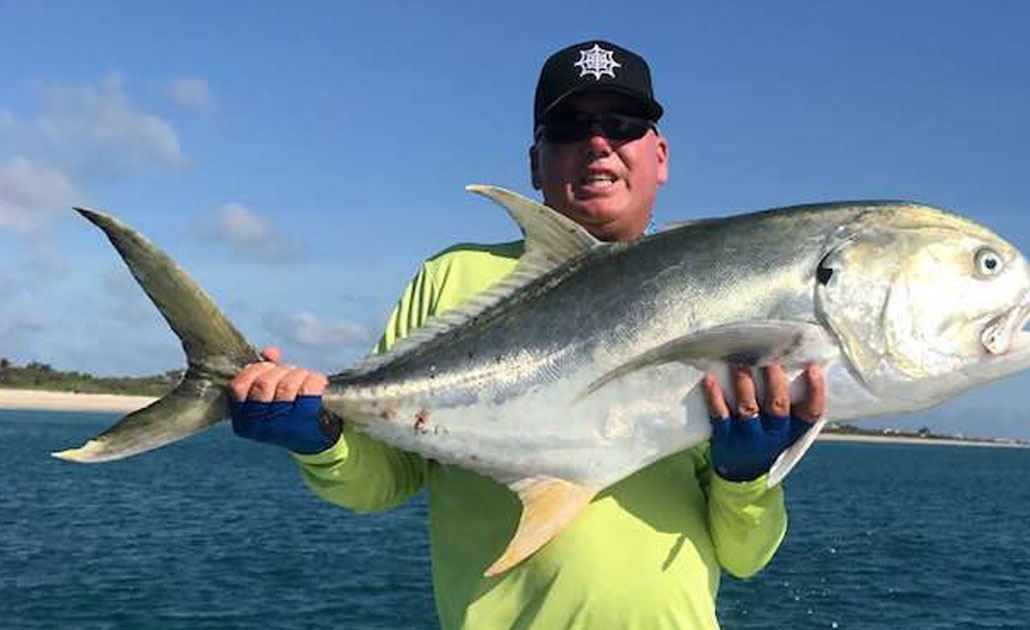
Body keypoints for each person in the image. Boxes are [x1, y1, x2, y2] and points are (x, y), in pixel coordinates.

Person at [229, 40, 827, 630]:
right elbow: (384, 479)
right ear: (535, 162)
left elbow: (746, 556)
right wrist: (321, 439)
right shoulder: (454, 276)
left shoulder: (716, 297)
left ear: (661, 155)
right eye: (569, 126)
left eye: (622, 124)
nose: (598, 143)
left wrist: (745, 477)